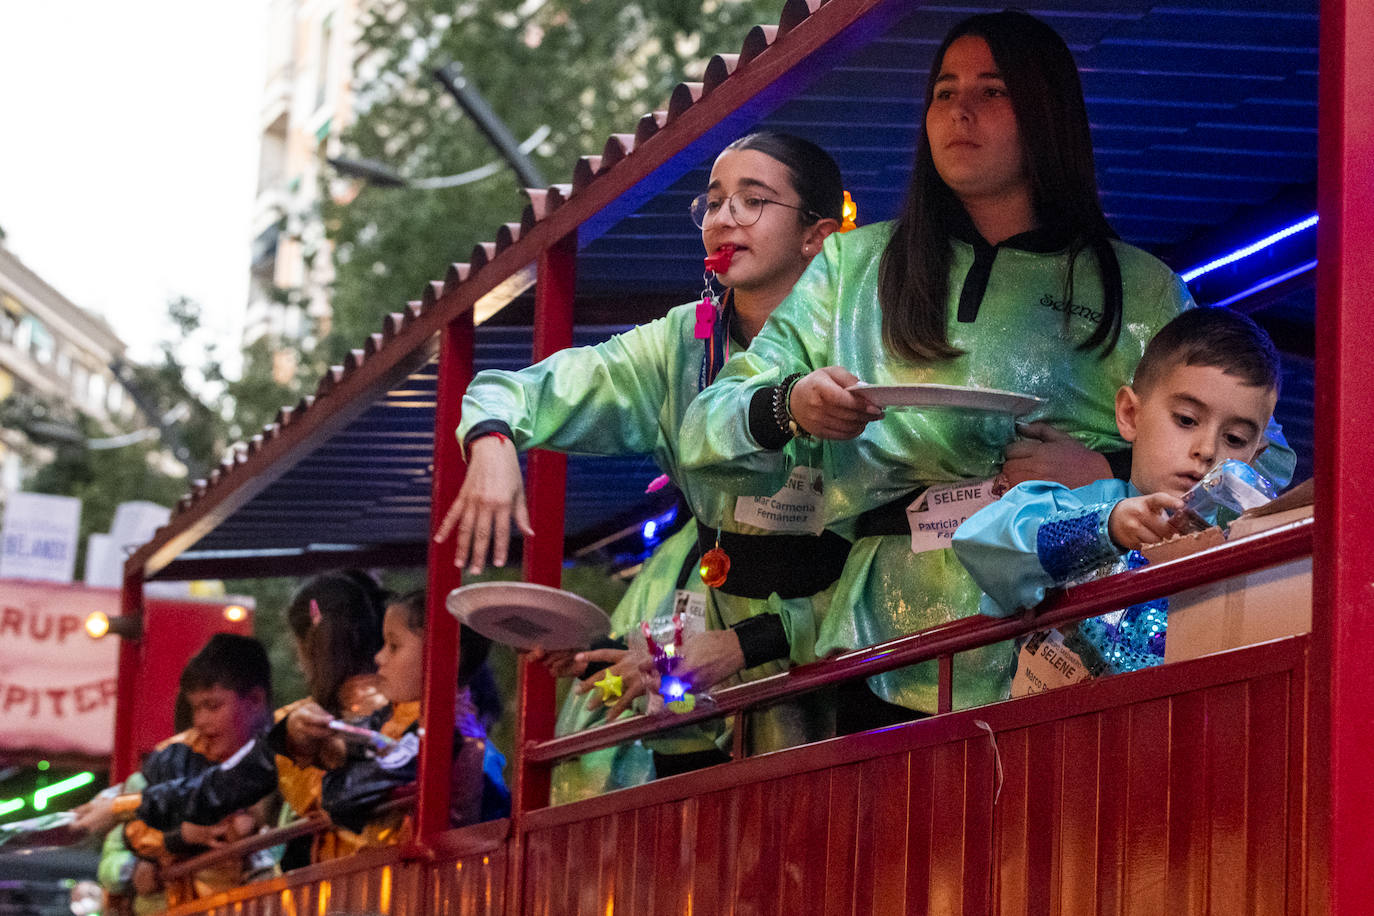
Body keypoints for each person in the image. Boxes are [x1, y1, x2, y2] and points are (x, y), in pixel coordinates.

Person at [679, 11, 1295, 729]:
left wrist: (1109, 474)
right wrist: (790, 404)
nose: (960, 110)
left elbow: (1263, 463)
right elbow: (704, 429)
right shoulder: (851, 267)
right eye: (944, 91)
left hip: (1069, 641)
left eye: (992, 91)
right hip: (880, 646)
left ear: (1046, 113)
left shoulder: (1141, 288)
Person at [434, 131, 848, 769]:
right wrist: (492, 438)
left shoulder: (864, 336)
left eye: (753, 200)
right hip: (722, 702)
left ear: (815, 235)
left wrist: (749, 642)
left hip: (856, 682)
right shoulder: (682, 344)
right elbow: (517, 391)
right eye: (712, 203)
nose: (724, 218)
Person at [952, 308, 1282, 683]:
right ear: (1129, 414)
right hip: (1060, 737)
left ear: (1254, 457)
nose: (1207, 450)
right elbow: (980, 543)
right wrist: (1106, 528)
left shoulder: (1243, 555)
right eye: (1187, 419)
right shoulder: (1081, 507)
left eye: (1235, 439)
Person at [76, 572, 391, 865]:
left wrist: (121, 807)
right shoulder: (414, 711)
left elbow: (218, 788)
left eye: (397, 646)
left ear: (309, 647)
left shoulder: (300, 724)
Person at [100, 634, 277, 910]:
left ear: (255, 700)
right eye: (196, 708)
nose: (201, 721)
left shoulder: (290, 756)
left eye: (213, 706)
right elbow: (115, 851)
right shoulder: (170, 759)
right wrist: (135, 868)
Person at [317, 590, 510, 836]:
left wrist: (346, 753)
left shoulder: (445, 731)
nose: (379, 657)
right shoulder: (408, 720)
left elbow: (344, 798)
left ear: (444, 655)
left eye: (394, 646)